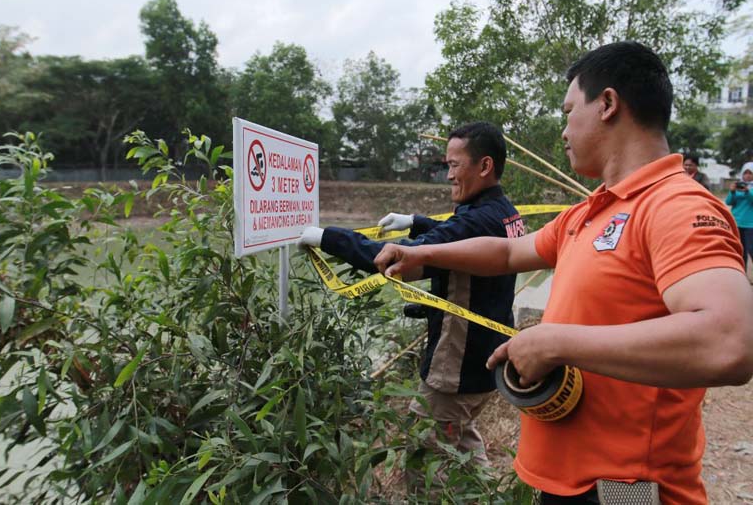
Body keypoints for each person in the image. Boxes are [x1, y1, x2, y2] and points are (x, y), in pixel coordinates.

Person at [373, 42, 753, 505]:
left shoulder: (675, 205)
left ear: (608, 104)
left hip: (625, 490)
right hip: (566, 481)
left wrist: (556, 342)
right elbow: (511, 251)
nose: (564, 131)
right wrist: (426, 255)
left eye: (569, 111)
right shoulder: (591, 211)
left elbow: (730, 340)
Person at [298, 122, 523, 468]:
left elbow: (393, 259)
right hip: (483, 359)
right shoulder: (504, 212)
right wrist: (416, 221)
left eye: (453, 165)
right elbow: (458, 236)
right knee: (460, 445)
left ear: (484, 166)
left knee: (424, 460)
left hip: (457, 369)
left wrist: (327, 237)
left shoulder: (477, 221)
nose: (447, 175)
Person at [726, 161, 753, 271]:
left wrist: (747, 192)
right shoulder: (737, 186)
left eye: (750, 173)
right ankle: (743, 273)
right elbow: (728, 202)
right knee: (740, 250)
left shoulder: (750, 189)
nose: (747, 175)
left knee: (751, 249)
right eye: (745, 173)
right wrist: (732, 192)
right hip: (736, 222)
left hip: (750, 224)